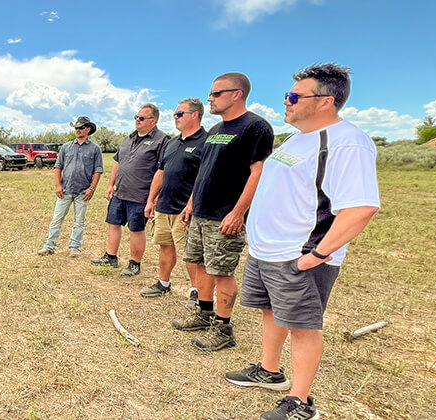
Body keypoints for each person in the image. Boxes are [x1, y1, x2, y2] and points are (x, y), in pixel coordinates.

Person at [225, 64, 379, 420]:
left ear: (326, 101)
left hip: (298, 255)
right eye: (287, 95)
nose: (286, 102)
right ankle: (269, 370)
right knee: (271, 312)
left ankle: (300, 401)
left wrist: (317, 255)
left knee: (303, 326)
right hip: (267, 252)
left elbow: (360, 207)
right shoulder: (296, 138)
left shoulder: (346, 142)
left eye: (294, 96)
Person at [172, 72, 273, 352]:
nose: (210, 99)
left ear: (237, 94)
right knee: (201, 265)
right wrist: (191, 204)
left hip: (225, 216)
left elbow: (258, 172)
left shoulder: (255, 127)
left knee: (222, 272)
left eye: (216, 93)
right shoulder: (215, 131)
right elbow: (204, 172)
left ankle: (224, 328)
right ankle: (203, 314)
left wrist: (238, 212)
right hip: (202, 213)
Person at [140, 98, 207, 302]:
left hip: (185, 210)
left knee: (191, 254)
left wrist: (191, 205)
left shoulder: (205, 142)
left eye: (179, 114)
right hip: (164, 206)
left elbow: (204, 178)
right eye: (175, 114)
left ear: (194, 115)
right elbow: (160, 172)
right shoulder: (172, 142)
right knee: (165, 245)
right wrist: (151, 199)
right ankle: (164, 283)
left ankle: (197, 292)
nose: (175, 118)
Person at [91, 104, 169, 274]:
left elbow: (163, 171)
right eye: (136, 117)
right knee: (113, 223)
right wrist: (111, 185)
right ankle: (110, 257)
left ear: (153, 121)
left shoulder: (162, 140)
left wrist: (155, 197)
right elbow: (118, 162)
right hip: (120, 192)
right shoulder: (129, 138)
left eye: (141, 118)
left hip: (141, 195)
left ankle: (135, 264)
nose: (137, 121)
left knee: (136, 229)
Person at [37, 116, 104, 257]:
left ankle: (74, 247)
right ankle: (49, 246)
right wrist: (57, 185)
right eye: (76, 128)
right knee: (56, 219)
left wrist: (92, 188)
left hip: (83, 192)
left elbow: (98, 170)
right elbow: (58, 167)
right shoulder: (66, 147)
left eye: (81, 128)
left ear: (88, 129)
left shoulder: (95, 149)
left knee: (79, 222)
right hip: (65, 190)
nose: (78, 130)